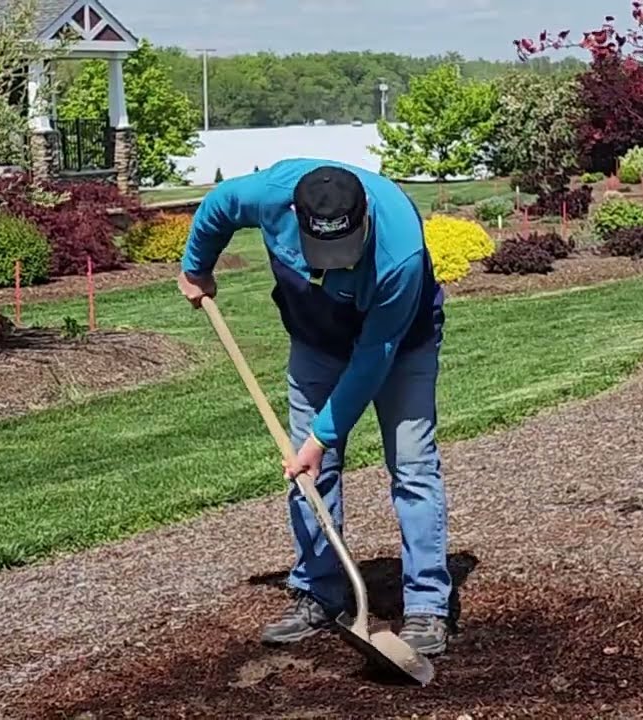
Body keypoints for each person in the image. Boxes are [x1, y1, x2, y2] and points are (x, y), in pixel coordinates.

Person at [176, 158, 452, 656]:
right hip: (315, 342)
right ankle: (319, 593)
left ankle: (427, 606)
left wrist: (322, 437)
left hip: (399, 344)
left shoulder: (400, 250)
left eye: (345, 248)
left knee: (412, 466)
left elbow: (373, 358)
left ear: (365, 216)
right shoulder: (269, 193)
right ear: (295, 217)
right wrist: (197, 267)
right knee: (309, 475)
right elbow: (217, 207)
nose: (335, 260)